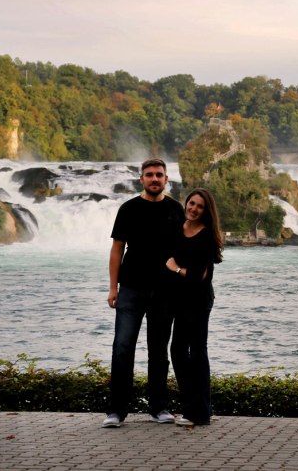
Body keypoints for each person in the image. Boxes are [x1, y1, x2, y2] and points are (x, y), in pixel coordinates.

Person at [103, 158, 185, 428]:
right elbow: (117, 249)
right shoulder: (128, 209)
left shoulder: (175, 209)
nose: (154, 178)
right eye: (149, 174)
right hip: (130, 289)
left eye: (159, 174)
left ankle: (159, 407)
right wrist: (113, 287)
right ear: (141, 179)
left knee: (158, 351)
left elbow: (184, 249)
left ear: (166, 179)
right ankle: (116, 411)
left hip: (165, 291)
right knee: (122, 348)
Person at [167, 188, 224, 426]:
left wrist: (176, 269)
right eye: (192, 203)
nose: (194, 209)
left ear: (206, 210)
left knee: (197, 352)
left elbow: (201, 277)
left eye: (200, 206)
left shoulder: (206, 236)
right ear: (186, 203)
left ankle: (197, 413)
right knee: (179, 351)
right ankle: (198, 408)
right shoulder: (178, 228)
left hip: (199, 300)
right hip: (180, 299)